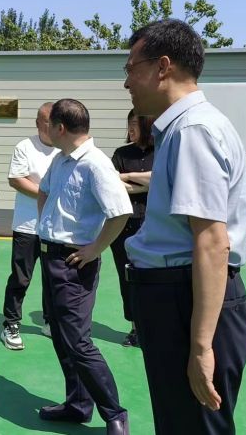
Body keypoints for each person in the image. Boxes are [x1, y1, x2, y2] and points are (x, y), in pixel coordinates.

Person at [123, 19, 246, 435]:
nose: (126, 82)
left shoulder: (193, 130)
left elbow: (212, 241)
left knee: (193, 424)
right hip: (181, 294)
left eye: (130, 68)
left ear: (163, 66)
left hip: (186, 297)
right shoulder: (183, 128)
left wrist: (200, 347)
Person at [37, 99, 132, 435]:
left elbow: (120, 212)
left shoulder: (95, 164)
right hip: (51, 256)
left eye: (48, 124)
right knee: (62, 336)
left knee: (78, 341)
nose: (45, 130)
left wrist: (95, 248)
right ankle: (77, 404)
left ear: (60, 127)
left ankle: (115, 414)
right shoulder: (60, 160)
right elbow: (43, 192)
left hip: (74, 262)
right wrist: (46, 226)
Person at [1, 101, 59, 350]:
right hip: (27, 226)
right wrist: (49, 195)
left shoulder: (64, 149)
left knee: (52, 278)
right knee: (21, 278)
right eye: (48, 121)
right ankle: (11, 323)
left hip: (55, 228)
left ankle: (49, 321)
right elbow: (16, 179)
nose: (53, 126)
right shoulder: (25, 147)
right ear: (38, 123)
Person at [110, 109, 154, 347]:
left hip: (154, 224)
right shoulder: (121, 154)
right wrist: (145, 183)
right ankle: (135, 327)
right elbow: (112, 183)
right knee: (127, 276)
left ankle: (155, 325)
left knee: (153, 276)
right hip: (125, 225)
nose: (131, 128)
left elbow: (160, 179)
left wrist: (127, 177)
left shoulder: (161, 151)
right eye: (129, 123)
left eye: (135, 123)